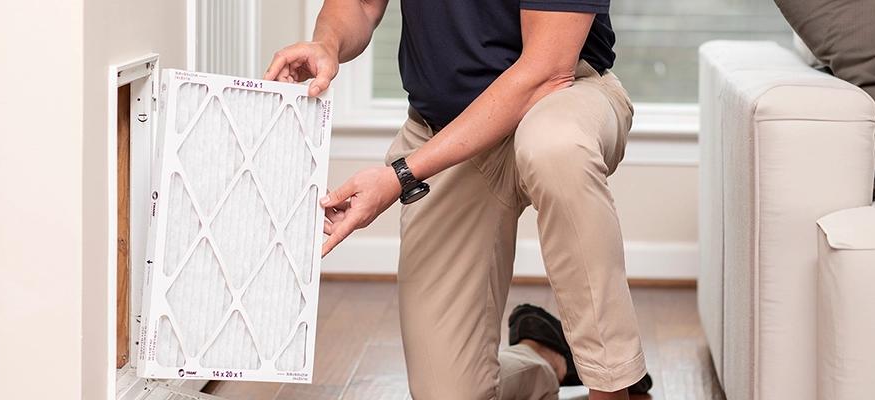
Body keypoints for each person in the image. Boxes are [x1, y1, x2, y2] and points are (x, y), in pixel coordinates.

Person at [265, 0, 651, 398]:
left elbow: (547, 71)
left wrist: (401, 175)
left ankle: (612, 384)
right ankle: (547, 357)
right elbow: (360, 6)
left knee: (555, 146)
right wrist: (327, 44)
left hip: (563, 95)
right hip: (447, 132)